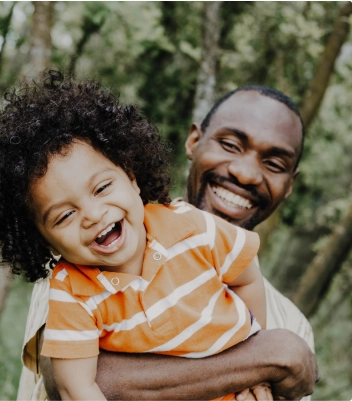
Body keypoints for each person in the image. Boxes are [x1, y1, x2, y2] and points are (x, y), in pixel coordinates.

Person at [16, 82, 317, 401]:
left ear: (289, 185)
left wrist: (262, 354)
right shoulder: (82, 261)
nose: (246, 174)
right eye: (230, 144)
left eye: (274, 164)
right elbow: (79, 384)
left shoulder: (294, 325)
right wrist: (266, 358)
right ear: (194, 141)